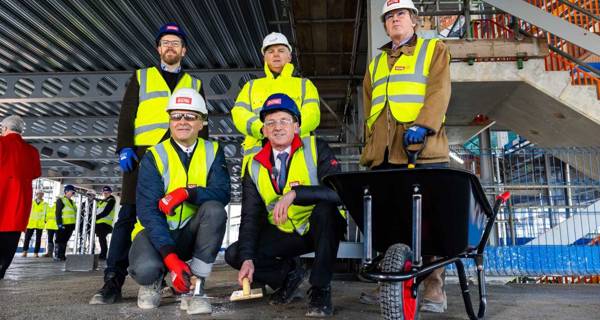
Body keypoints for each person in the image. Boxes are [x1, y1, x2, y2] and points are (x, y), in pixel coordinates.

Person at [90, 22, 205, 304]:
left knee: (174, 215)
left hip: (179, 161)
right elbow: (127, 115)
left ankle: (166, 277)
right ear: (158, 48)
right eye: (165, 42)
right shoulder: (142, 76)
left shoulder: (195, 84)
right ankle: (112, 283)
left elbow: (203, 123)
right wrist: (124, 148)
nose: (170, 47)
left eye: (175, 43)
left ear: (184, 50)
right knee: (127, 217)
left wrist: (200, 159)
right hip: (141, 160)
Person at [359, 0, 451, 313]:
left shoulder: (433, 49)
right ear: (384, 25)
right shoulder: (375, 64)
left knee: (430, 218)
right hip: (383, 152)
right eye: (389, 17)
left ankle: (434, 283)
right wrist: (370, 144)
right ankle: (390, 281)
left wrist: (424, 125)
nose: (395, 20)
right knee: (389, 218)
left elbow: (439, 91)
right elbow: (369, 108)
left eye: (400, 14)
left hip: (421, 147)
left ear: (413, 20)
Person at [225, 93, 346, 317]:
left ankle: (320, 289)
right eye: (270, 122)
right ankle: (288, 275)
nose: (277, 127)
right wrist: (248, 259)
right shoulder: (254, 166)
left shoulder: (316, 148)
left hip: (317, 228)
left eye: (284, 121)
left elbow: (338, 193)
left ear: (297, 126)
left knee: (327, 211)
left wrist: (295, 194)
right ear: (263, 130)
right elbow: (250, 217)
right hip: (283, 233)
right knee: (235, 254)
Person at [128, 88, 230, 314]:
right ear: (169, 121)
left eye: (190, 116)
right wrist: (171, 258)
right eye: (176, 116)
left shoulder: (213, 151)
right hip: (156, 234)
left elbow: (222, 193)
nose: (182, 122)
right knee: (144, 268)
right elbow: (148, 211)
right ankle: (153, 281)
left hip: (191, 233)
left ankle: (196, 286)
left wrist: (187, 193)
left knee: (214, 211)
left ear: (202, 122)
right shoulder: (154, 155)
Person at [231, 32, 320, 174]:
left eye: (281, 50)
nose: (276, 55)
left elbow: (312, 114)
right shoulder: (251, 86)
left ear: (289, 56)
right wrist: (261, 129)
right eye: (270, 51)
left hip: (297, 156)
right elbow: (238, 114)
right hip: (257, 160)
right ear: (264, 57)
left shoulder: (304, 85)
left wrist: (289, 132)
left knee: (297, 195)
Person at [0, 115, 41, 279]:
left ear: (4, 128)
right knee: (10, 241)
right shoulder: (32, 151)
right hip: (18, 204)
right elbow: (35, 173)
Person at [53, 185, 78, 261]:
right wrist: (59, 224)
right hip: (63, 224)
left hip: (70, 225)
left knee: (65, 241)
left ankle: (62, 256)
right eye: (72, 192)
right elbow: (58, 213)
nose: (73, 193)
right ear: (66, 191)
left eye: (73, 192)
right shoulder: (61, 200)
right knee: (59, 240)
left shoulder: (72, 202)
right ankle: (58, 256)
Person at [22, 191, 48, 258]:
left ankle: (36, 253)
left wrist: (45, 221)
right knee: (27, 238)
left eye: (42, 194)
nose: (40, 195)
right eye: (39, 194)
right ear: (36, 194)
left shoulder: (45, 204)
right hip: (31, 223)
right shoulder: (31, 203)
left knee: (38, 239)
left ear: (43, 195)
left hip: (40, 224)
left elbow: (47, 214)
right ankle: (25, 251)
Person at [94, 186, 116, 260]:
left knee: (102, 238)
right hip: (98, 222)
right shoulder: (102, 201)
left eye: (107, 192)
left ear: (110, 193)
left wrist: (96, 217)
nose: (105, 194)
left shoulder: (111, 200)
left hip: (105, 223)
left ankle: (103, 254)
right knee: (101, 238)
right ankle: (101, 253)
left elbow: (106, 212)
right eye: (104, 192)